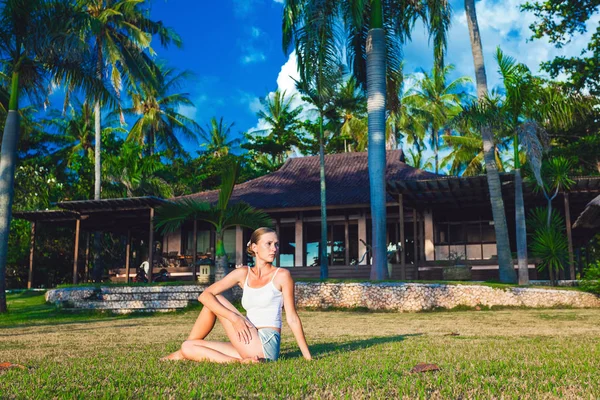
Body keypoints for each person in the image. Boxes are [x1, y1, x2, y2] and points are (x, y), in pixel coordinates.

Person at [162, 227, 312, 363]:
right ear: (255, 247)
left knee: (218, 299)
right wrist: (234, 319)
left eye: (276, 244)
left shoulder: (282, 275)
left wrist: (307, 357)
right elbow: (204, 296)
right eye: (269, 244)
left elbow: (292, 318)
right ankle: (188, 353)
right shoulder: (243, 273)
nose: (274, 249)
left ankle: (184, 355)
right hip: (248, 338)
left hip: (266, 343)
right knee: (188, 345)